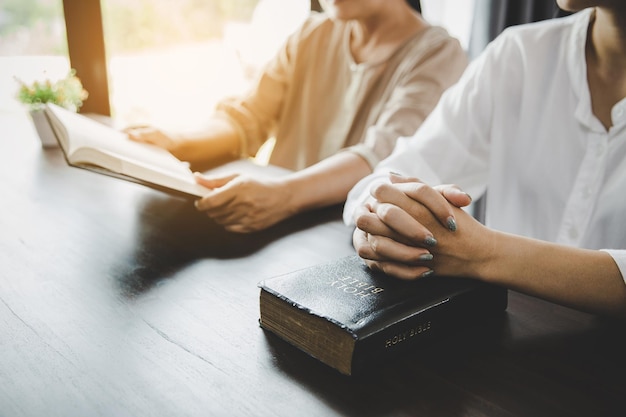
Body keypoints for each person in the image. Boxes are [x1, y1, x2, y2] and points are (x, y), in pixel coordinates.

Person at [344, 1, 626, 319]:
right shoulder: (519, 54)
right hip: (500, 337)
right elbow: (394, 174)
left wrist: (483, 254)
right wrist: (378, 215)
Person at [127, 0, 467, 232]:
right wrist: (178, 141)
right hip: (268, 223)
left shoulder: (438, 53)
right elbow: (248, 117)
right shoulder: (311, 33)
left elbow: (383, 158)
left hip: (348, 238)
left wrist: (283, 196)